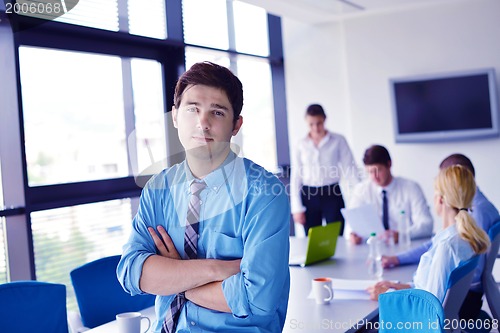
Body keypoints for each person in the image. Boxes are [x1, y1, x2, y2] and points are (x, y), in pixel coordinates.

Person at [117, 62, 291, 333]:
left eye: (217, 112)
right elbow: (131, 273)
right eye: (192, 109)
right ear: (174, 116)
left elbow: (257, 301)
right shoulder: (158, 188)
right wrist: (215, 270)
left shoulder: (264, 194)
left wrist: (175, 276)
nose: (203, 123)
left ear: (236, 125)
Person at [381, 153, 499, 320]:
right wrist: (400, 287)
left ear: (441, 200)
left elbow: (429, 306)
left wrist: (389, 293)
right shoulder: (462, 236)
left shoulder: (448, 246)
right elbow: (433, 291)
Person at [290, 104, 359, 236]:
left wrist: (361, 194)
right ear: (306, 121)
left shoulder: (338, 140)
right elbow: (296, 176)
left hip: (332, 194)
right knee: (312, 238)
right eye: (311, 124)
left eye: (319, 123)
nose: (315, 128)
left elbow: (350, 169)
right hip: (309, 195)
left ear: (325, 119)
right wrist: (297, 208)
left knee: (336, 236)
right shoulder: (300, 144)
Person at [347, 145, 433, 245]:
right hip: (373, 248)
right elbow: (350, 223)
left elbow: (426, 224)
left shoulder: (411, 188)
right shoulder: (361, 190)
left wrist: (402, 234)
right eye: (370, 172)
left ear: (389, 164)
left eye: (378, 170)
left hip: (404, 247)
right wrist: (352, 235)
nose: (374, 176)